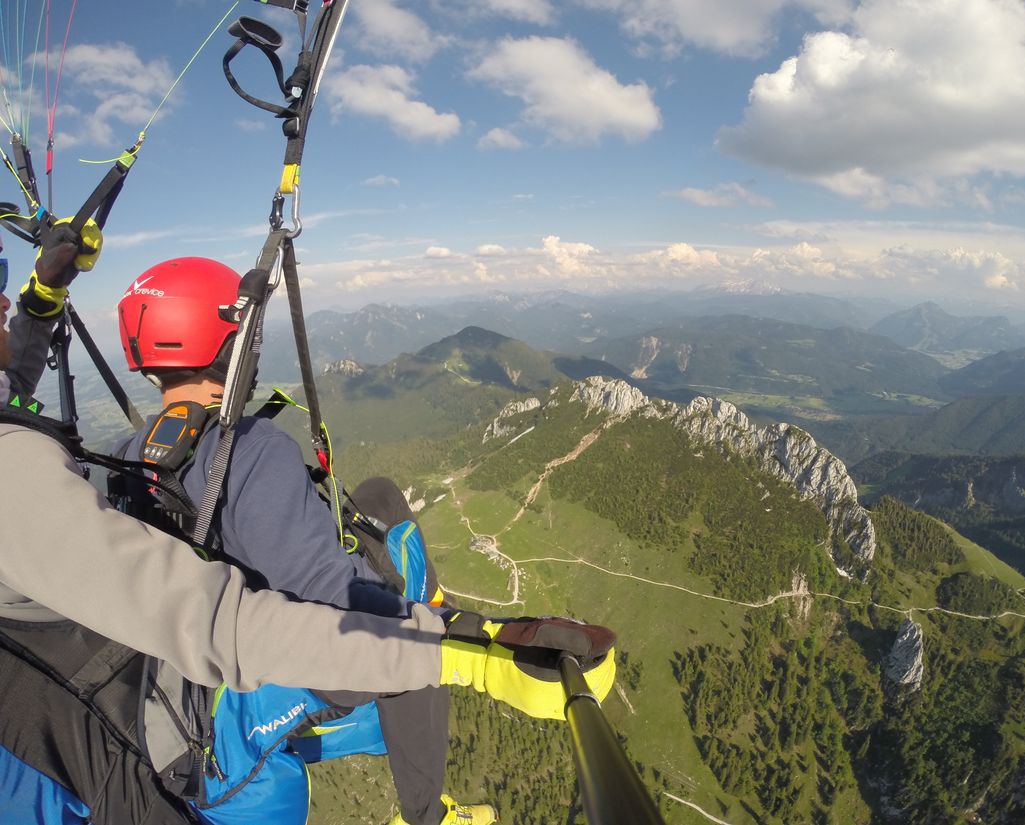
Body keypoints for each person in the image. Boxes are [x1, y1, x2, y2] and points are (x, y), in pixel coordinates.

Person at [0, 233, 617, 824]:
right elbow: (329, 600)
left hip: (163, 684)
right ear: (230, 338)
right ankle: (426, 814)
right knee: (409, 603)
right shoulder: (248, 448)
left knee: (377, 498)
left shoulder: (125, 455)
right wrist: (474, 644)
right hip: (217, 710)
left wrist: (39, 303)